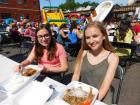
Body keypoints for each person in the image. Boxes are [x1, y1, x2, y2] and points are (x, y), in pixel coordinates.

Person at [72, 21, 119, 104]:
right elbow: (75, 76)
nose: (91, 41)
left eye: (95, 36)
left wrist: (89, 102)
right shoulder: (83, 53)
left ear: (104, 36)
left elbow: (105, 86)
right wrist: (73, 93)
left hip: (100, 98)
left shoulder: (113, 58)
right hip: (82, 95)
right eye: (87, 37)